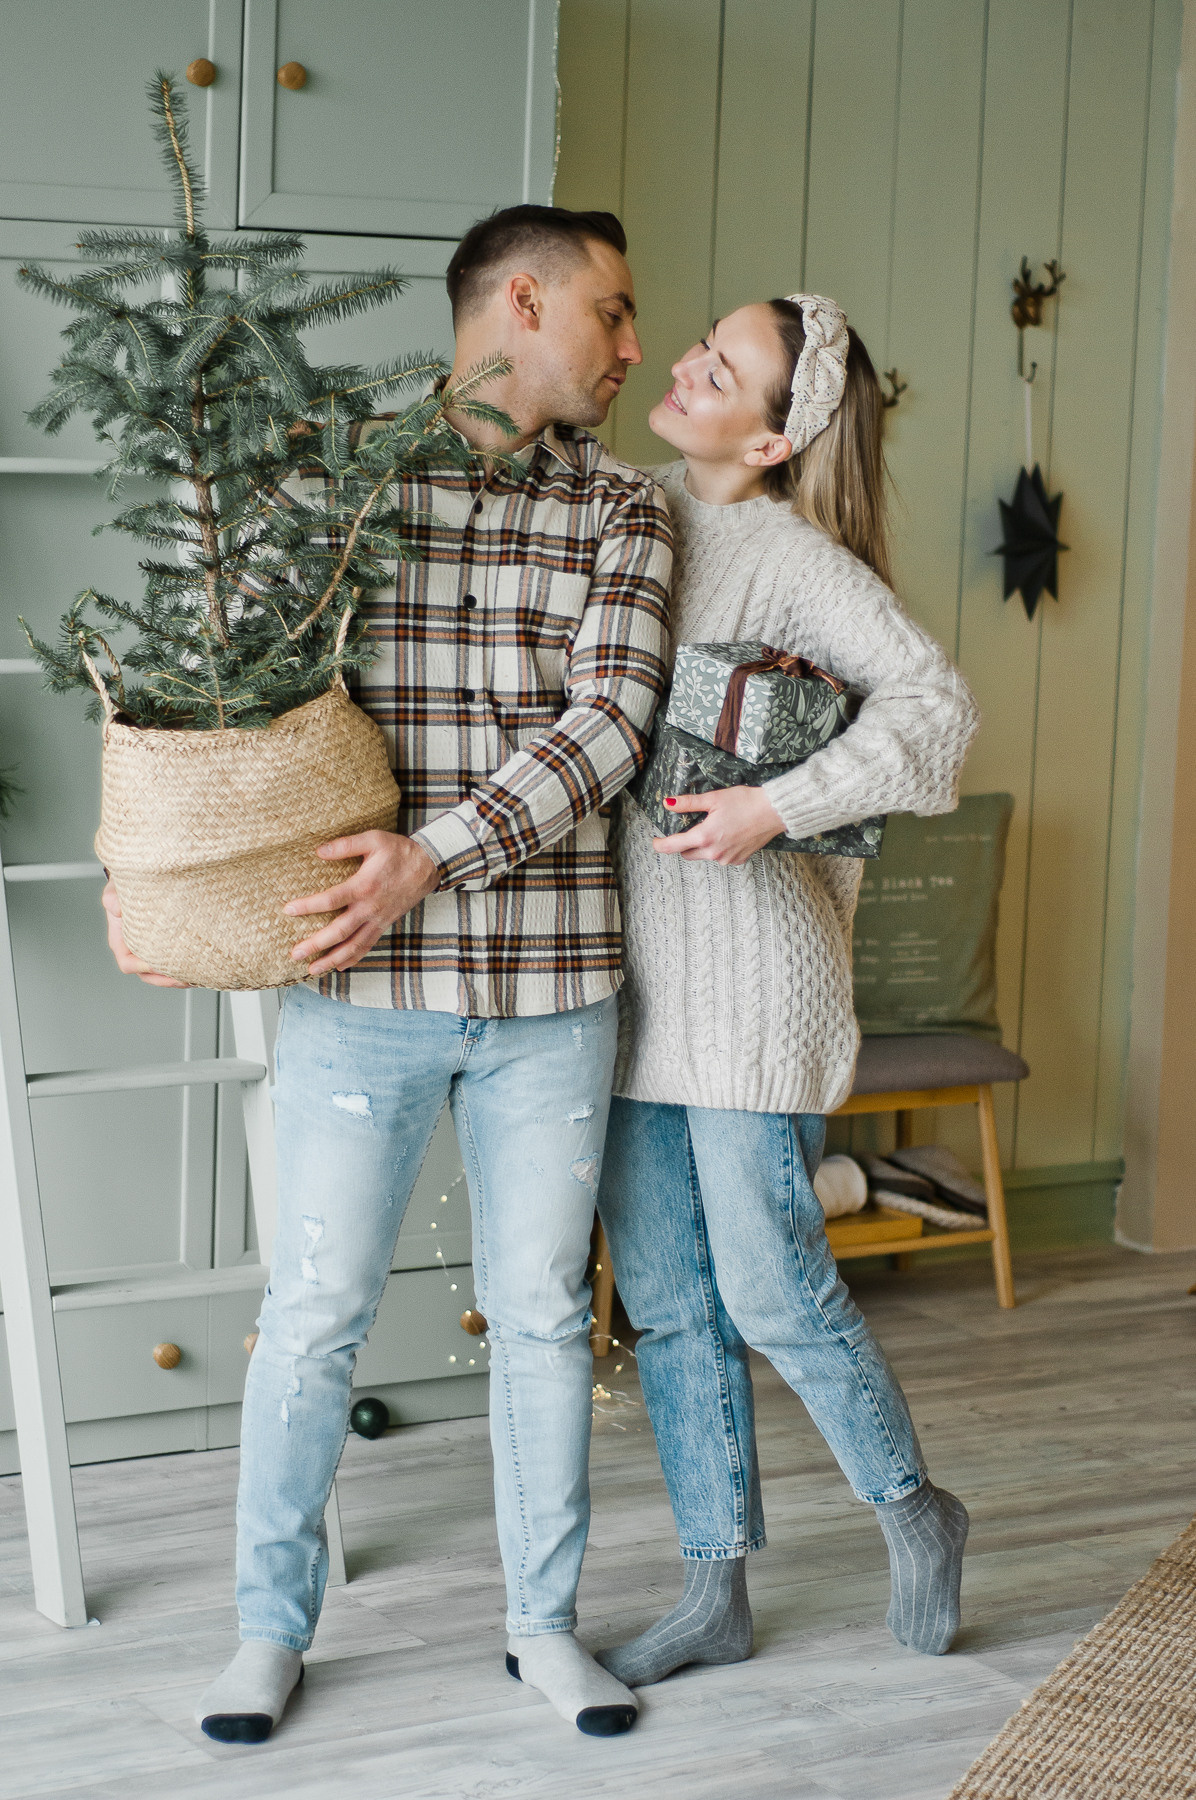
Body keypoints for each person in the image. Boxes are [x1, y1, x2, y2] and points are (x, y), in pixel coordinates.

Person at [102, 205, 672, 1741]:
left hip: (555, 988)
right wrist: (155, 876)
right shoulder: (336, 472)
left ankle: (543, 1629)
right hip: (355, 997)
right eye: (612, 314)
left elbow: (610, 727)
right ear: (526, 300)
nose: (633, 349)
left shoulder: (628, 508)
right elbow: (219, 698)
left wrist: (437, 853)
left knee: (546, 1317)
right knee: (313, 1315)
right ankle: (266, 1634)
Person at [594, 293, 980, 1690]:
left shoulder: (797, 559)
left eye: (727, 366)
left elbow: (936, 716)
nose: (690, 363)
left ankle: (913, 1507)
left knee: (772, 1290)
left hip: (753, 985)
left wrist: (774, 804)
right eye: (700, 340)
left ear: (775, 433)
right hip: (624, 985)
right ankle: (715, 1589)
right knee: (669, 1302)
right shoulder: (623, 504)